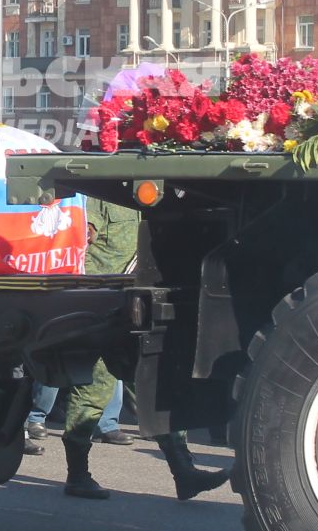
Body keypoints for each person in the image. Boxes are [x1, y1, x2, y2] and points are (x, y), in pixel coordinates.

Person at [81, 197, 227, 500]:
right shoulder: (103, 197)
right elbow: (84, 235)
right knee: (93, 392)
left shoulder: (149, 199)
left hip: (136, 303)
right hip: (101, 299)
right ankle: (76, 471)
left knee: (157, 390)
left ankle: (183, 470)